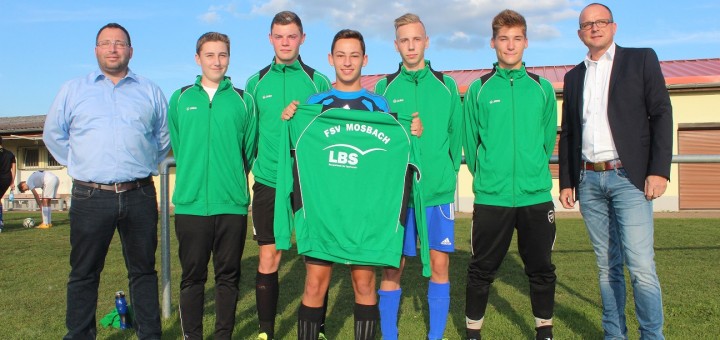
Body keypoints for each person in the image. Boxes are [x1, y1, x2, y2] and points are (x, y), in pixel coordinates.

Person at [277, 29, 425, 340]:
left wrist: (412, 130)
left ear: (365, 60)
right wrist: (292, 117)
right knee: (315, 284)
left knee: (364, 284)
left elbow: (394, 156)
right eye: (341, 56)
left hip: (365, 215)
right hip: (324, 212)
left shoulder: (379, 107)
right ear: (330, 59)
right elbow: (301, 152)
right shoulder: (314, 105)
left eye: (354, 55)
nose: (347, 62)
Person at [43, 23, 169, 339]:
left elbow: (163, 137)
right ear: (96, 50)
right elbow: (53, 134)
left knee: (143, 271)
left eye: (119, 43)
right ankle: (80, 335)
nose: (113, 49)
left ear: (130, 50)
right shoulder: (72, 90)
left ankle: (150, 334)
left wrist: (145, 163)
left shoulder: (150, 90)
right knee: (84, 273)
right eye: (106, 43)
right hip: (90, 196)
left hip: (139, 193)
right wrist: (80, 164)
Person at [558, 3, 673, 339]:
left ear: (614, 26)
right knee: (607, 268)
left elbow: (661, 114)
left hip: (629, 178)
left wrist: (659, 170)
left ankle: (652, 335)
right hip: (589, 180)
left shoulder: (640, 60)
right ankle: (614, 334)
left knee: (640, 267)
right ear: (580, 34)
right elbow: (569, 133)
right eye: (587, 24)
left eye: (601, 22)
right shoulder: (573, 76)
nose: (594, 28)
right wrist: (568, 181)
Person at [462, 9, 558, 340]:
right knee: (481, 270)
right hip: (493, 196)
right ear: (493, 43)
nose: (510, 45)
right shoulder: (478, 90)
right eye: (503, 38)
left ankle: (544, 331)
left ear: (526, 42)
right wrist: (490, 175)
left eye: (517, 38)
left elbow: (547, 141)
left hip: (535, 195)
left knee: (542, 269)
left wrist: (532, 170)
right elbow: (470, 140)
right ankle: (473, 332)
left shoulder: (543, 89)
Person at [373, 13, 462, 340]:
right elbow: (378, 140)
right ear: (396, 45)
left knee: (440, 266)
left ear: (426, 41)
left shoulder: (447, 85)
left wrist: (445, 175)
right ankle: (389, 336)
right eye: (404, 40)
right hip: (398, 197)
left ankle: (435, 336)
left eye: (416, 39)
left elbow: (456, 137)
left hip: (436, 194)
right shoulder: (384, 88)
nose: (411, 46)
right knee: (392, 267)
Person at [244, 11, 332, 340]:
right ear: (270, 39)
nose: (285, 42)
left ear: (302, 39)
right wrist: (259, 167)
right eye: (279, 36)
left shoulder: (318, 82)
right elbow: (249, 136)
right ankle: (266, 332)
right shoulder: (256, 83)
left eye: (291, 36)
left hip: (309, 183)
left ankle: (317, 328)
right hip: (269, 181)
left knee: (317, 255)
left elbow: (327, 133)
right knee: (270, 254)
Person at [168, 32, 256, 339]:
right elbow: (180, 147)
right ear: (198, 59)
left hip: (230, 203)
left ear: (229, 58)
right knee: (192, 278)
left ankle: (222, 335)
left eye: (222, 55)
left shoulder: (244, 101)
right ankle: (192, 335)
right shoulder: (180, 99)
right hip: (191, 204)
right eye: (209, 55)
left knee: (228, 278)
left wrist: (230, 180)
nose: (216, 61)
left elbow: (246, 150)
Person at [0, 136, 16, 231]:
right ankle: (1, 221)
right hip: (6, 179)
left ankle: (0, 223)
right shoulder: (10, 154)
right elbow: (13, 169)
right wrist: (12, 182)